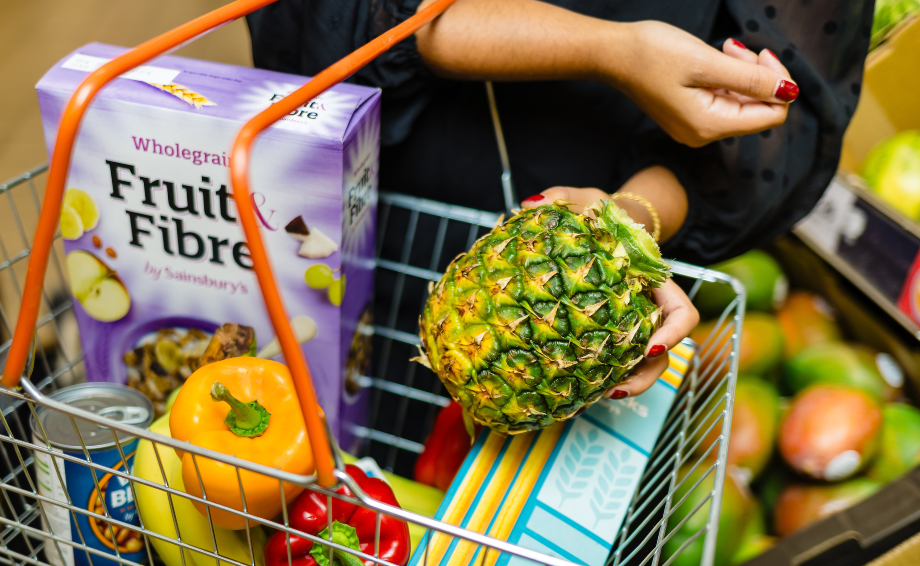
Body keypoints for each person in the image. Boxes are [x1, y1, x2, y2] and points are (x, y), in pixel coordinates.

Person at [247, 0, 872, 397]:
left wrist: (631, 216)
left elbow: (789, 120)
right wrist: (610, 49)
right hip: (376, 180)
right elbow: (318, 13)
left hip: (593, 240)